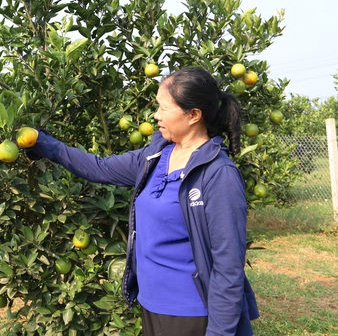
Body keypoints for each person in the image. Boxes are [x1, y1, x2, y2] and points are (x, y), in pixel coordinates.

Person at [26, 67, 259, 336]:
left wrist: (219, 332)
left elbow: (228, 267)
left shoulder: (218, 174)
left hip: (191, 312)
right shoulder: (155, 158)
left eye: (164, 108)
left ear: (194, 115)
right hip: (152, 304)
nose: (156, 115)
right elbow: (99, 168)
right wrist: (45, 144)